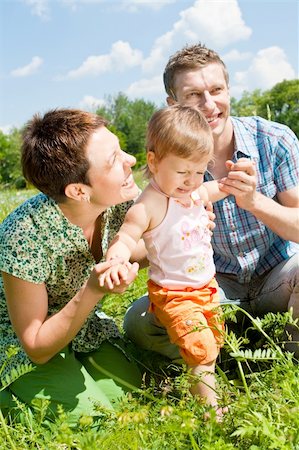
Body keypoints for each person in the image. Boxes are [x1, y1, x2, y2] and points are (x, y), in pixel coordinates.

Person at [123, 43, 299, 360]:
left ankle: (286, 360)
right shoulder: (166, 164)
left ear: (228, 90)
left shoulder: (274, 140)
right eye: (193, 95)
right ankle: (217, 352)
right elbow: (139, 245)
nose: (209, 104)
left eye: (216, 89)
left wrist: (253, 201)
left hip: (278, 278)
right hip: (214, 289)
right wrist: (144, 242)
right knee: (138, 324)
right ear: (172, 102)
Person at [100, 104, 255, 413]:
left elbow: (213, 188)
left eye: (199, 171)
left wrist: (230, 183)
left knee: (213, 339)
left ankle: (198, 378)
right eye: (183, 171)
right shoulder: (149, 205)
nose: (191, 180)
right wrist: (115, 260)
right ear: (154, 162)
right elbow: (127, 237)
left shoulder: (193, 191)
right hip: (174, 293)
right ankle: (210, 412)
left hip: (206, 286)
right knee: (200, 348)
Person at [0, 108, 144, 425]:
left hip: (82, 325)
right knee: (92, 421)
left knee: (134, 395)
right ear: (78, 191)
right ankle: (8, 391)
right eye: (114, 160)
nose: (130, 160)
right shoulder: (25, 234)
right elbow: (35, 345)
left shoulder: (119, 201)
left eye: (121, 149)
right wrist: (93, 289)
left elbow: (139, 249)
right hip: (19, 340)